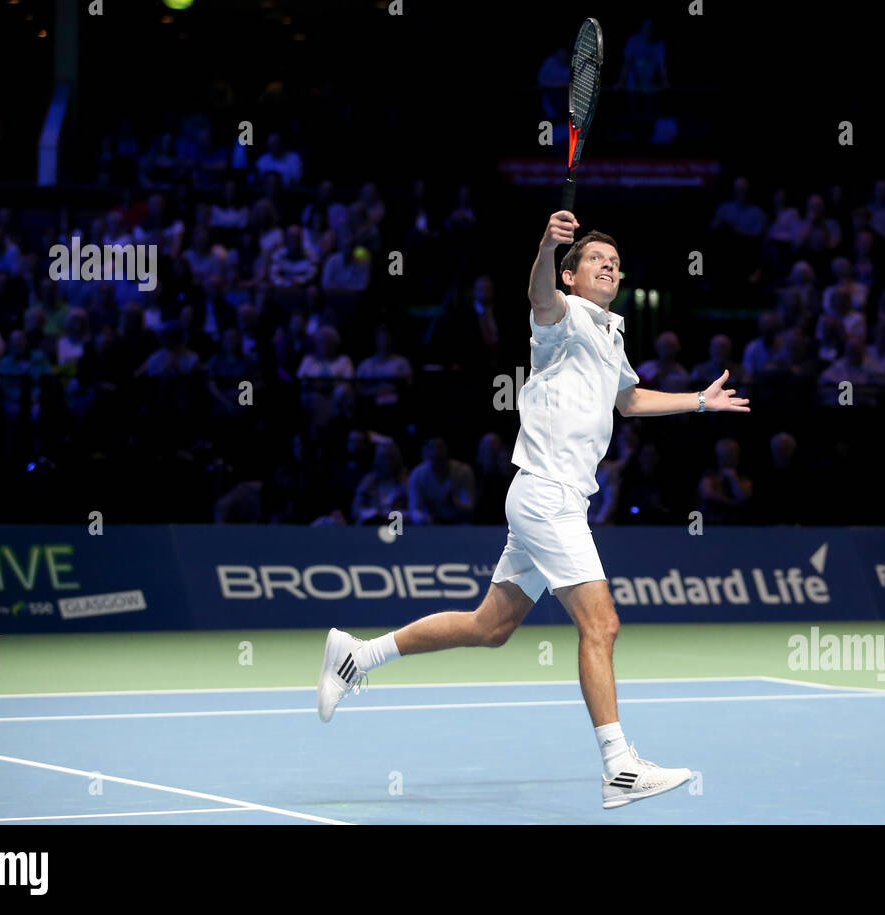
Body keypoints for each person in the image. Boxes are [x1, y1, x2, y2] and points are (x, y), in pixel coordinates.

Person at [316, 211, 750, 809]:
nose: (609, 265)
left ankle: (359, 656)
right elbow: (537, 294)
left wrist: (698, 402)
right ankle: (619, 766)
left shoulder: (609, 333)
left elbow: (628, 401)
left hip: (553, 497)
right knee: (602, 625)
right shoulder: (562, 316)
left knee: (490, 627)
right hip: (547, 495)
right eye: (596, 259)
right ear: (573, 276)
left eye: (615, 262)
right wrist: (547, 246)